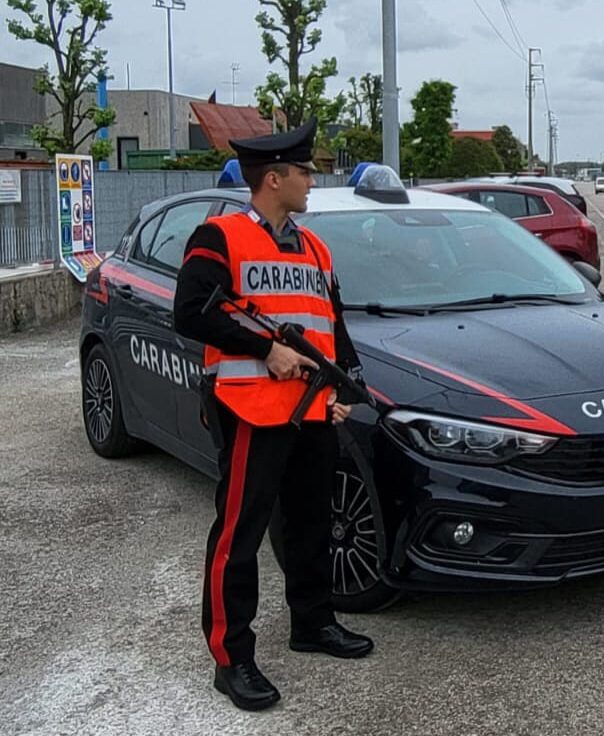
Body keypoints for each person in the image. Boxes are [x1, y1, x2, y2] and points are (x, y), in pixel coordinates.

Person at [174, 119, 374, 712]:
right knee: (240, 533)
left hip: (312, 409)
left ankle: (313, 622)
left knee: (310, 523)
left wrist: (347, 388)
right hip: (249, 408)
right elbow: (190, 313)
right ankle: (231, 656)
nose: (313, 180)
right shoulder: (218, 237)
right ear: (274, 178)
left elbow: (331, 328)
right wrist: (265, 349)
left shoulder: (315, 247)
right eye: (306, 171)